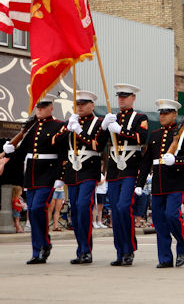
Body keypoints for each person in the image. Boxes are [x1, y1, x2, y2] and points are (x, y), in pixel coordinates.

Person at [2, 94, 67, 264]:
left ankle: (43, 244)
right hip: (31, 175)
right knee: (32, 211)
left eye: (43, 107)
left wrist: (60, 176)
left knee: (38, 208)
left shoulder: (59, 126)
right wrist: (9, 150)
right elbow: (22, 151)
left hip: (48, 174)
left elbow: (62, 154)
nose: (39, 110)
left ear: (51, 107)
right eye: (37, 107)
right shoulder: (32, 127)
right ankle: (38, 249)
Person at [136, 99, 184, 268]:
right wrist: (139, 183)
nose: (162, 116)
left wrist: (176, 160)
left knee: (171, 215)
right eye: (161, 113)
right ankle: (165, 258)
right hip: (158, 184)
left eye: (166, 113)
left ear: (175, 114)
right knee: (159, 221)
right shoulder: (154, 135)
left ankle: (183, 246)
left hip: (175, 182)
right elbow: (147, 162)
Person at [103, 84, 149, 266]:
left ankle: (129, 249)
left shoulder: (140, 117)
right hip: (114, 169)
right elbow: (99, 143)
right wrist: (105, 126)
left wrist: (120, 130)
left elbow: (141, 138)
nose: (121, 99)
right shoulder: (114, 117)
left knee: (123, 207)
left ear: (133, 98)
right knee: (115, 210)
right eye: (119, 96)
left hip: (130, 168)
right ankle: (120, 250)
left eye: (125, 96)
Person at [63, 90, 109, 264]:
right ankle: (81, 249)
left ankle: (86, 250)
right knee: (74, 210)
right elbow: (61, 149)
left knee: (83, 206)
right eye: (78, 104)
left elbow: (97, 145)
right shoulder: (71, 122)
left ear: (92, 105)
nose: (80, 107)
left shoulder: (99, 123)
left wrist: (79, 131)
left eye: (83, 104)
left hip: (89, 170)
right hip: (72, 171)